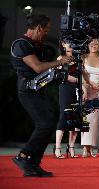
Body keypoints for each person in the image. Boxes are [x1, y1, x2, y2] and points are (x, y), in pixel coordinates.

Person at [10, 14, 72, 177]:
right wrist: (60, 61)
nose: (46, 33)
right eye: (46, 29)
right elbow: (38, 67)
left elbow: (44, 69)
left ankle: (32, 164)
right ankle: (24, 156)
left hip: (37, 89)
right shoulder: (20, 44)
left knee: (48, 122)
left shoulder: (36, 45)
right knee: (45, 123)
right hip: (27, 91)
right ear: (38, 28)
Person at [81, 38, 99, 157]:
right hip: (85, 90)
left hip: (98, 91)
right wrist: (88, 85)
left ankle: (90, 147)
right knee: (85, 119)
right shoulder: (83, 58)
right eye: (91, 43)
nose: (93, 45)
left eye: (96, 43)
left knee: (95, 120)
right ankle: (85, 147)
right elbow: (80, 74)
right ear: (87, 45)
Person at [54, 40, 79, 159]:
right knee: (64, 116)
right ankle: (57, 148)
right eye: (68, 43)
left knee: (75, 117)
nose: (71, 45)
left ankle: (71, 147)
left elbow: (82, 75)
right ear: (63, 45)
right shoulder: (61, 58)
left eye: (71, 43)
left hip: (77, 89)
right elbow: (58, 74)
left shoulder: (78, 58)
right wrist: (73, 79)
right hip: (65, 88)